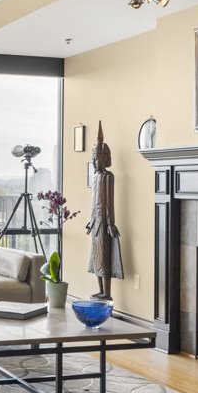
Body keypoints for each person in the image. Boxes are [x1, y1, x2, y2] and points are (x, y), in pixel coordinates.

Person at [85, 121, 124, 299]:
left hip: (104, 223)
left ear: (105, 158)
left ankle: (107, 293)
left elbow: (109, 203)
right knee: (95, 259)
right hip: (95, 223)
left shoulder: (108, 177)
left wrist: (111, 223)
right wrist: (90, 221)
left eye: (97, 157)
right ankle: (100, 290)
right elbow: (94, 203)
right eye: (93, 158)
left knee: (104, 259)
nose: (94, 161)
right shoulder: (94, 177)